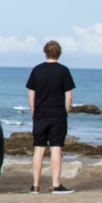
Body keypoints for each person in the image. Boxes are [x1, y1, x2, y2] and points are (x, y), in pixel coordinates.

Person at [26, 40, 76, 194]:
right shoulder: (63, 71)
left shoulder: (37, 70)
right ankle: (55, 185)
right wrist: (65, 112)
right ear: (58, 53)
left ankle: (35, 186)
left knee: (39, 149)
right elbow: (69, 96)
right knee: (56, 149)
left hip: (40, 114)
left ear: (45, 52)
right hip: (57, 115)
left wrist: (33, 110)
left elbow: (31, 93)